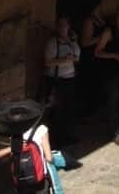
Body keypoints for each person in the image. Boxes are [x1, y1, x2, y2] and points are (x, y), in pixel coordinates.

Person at [94, 3, 119, 145]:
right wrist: (114, 56)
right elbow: (98, 52)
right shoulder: (109, 31)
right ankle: (115, 131)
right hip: (112, 71)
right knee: (113, 100)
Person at [42, 16, 80, 146]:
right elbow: (48, 62)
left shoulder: (71, 41)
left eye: (65, 25)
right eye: (60, 25)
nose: (62, 28)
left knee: (68, 110)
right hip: (57, 81)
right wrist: (66, 60)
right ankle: (55, 140)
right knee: (56, 112)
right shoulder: (52, 43)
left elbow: (77, 57)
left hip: (70, 79)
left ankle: (66, 137)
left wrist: (73, 42)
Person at [78, 0, 108, 115]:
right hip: (90, 57)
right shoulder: (89, 21)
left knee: (98, 83)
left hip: (99, 56)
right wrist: (101, 38)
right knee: (90, 84)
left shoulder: (98, 17)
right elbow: (85, 42)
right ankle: (88, 112)